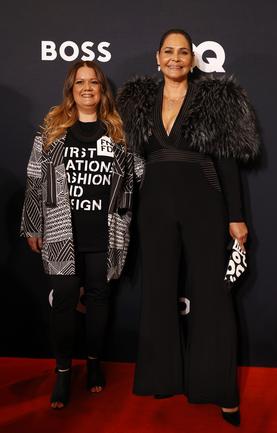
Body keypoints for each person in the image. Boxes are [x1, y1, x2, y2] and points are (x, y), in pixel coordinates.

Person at [117, 29, 260, 426]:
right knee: (158, 291)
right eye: (169, 51)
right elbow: (130, 160)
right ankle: (162, 377)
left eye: (183, 52)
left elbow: (228, 161)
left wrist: (236, 215)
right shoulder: (140, 102)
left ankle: (220, 391)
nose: (176, 58)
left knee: (212, 295)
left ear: (192, 59)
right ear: (157, 57)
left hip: (205, 204)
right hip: (155, 208)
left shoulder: (214, 98)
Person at [21, 60, 133, 409]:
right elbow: (34, 181)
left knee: (99, 298)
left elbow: (133, 180)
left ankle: (95, 363)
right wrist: (32, 223)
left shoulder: (119, 134)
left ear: (102, 90)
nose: (87, 88)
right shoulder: (51, 131)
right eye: (80, 82)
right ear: (71, 89)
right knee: (65, 302)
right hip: (59, 232)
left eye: (94, 82)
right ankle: (64, 371)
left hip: (105, 232)